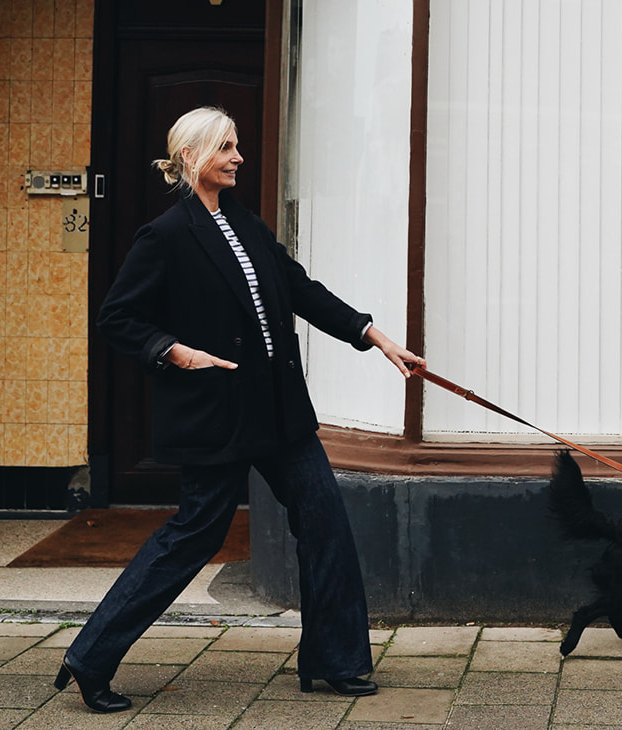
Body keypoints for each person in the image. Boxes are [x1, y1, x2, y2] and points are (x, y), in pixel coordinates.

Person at [53, 105, 421, 712]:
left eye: (237, 145)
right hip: (217, 413)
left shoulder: (244, 222)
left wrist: (371, 334)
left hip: (279, 411)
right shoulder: (165, 235)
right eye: (226, 147)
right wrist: (176, 352)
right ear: (192, 156)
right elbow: (118, 317)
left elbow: (298, 288)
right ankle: (90, 657)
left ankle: (335, 660)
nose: (238, 157)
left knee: (325, 522)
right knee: (193, 537)